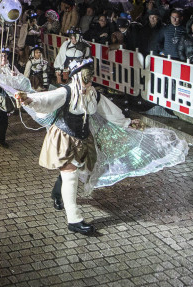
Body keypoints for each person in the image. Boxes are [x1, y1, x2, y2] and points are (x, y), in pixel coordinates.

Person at [18, 59, 134, 235]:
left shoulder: (93, 94)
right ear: (77, 77)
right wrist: (29, 99)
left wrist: (127, 123)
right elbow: (47, 99)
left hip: (83, 138)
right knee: (70, 175)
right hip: (64, 137)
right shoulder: (67, 91)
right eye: (86, 76)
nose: (89, 81)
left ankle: (56, 194)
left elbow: (107, 110)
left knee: (73, 172)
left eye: (90, 76)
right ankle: (74, 220)